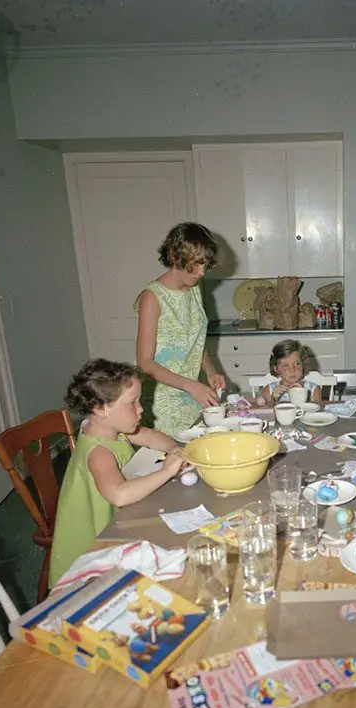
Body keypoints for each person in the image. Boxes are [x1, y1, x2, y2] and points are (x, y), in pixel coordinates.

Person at [49, 359, 189, 589]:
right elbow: (119, 495)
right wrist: (167, 471)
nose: (140, 408)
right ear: (100, 408)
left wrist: (176, 450)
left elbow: (152, 436)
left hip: (117, 524)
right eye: (132, 403)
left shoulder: (112, 430)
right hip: (90, 554)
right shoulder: (98, 452)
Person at [136, 222, 226, 436]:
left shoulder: (194, 288)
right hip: (163, 405)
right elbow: (144, 363)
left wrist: (210, 371)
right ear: (176, 257)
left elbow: (195, 341)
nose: (201, 272)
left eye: (205, 265)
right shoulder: (152, 297)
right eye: (196, 265)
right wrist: (191, 386)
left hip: (192, 397)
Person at [259, 339, 323, 404]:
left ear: (303, 364)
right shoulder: (269, 390)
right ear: (276, 369)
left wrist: (304, 395)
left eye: (297, 364)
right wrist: (273, 399)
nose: (292, 370)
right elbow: (263, 411)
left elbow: (316, 411)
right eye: (285, 365)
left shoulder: (313, 389)